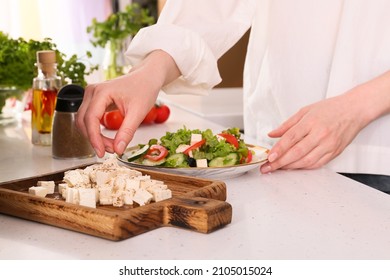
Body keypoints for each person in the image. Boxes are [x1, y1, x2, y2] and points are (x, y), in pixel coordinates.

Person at [76, 0, 390, 192]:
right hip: (278, 151)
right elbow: (208, 7)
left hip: (380, 159)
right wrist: (149, 72)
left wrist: (356, 108)